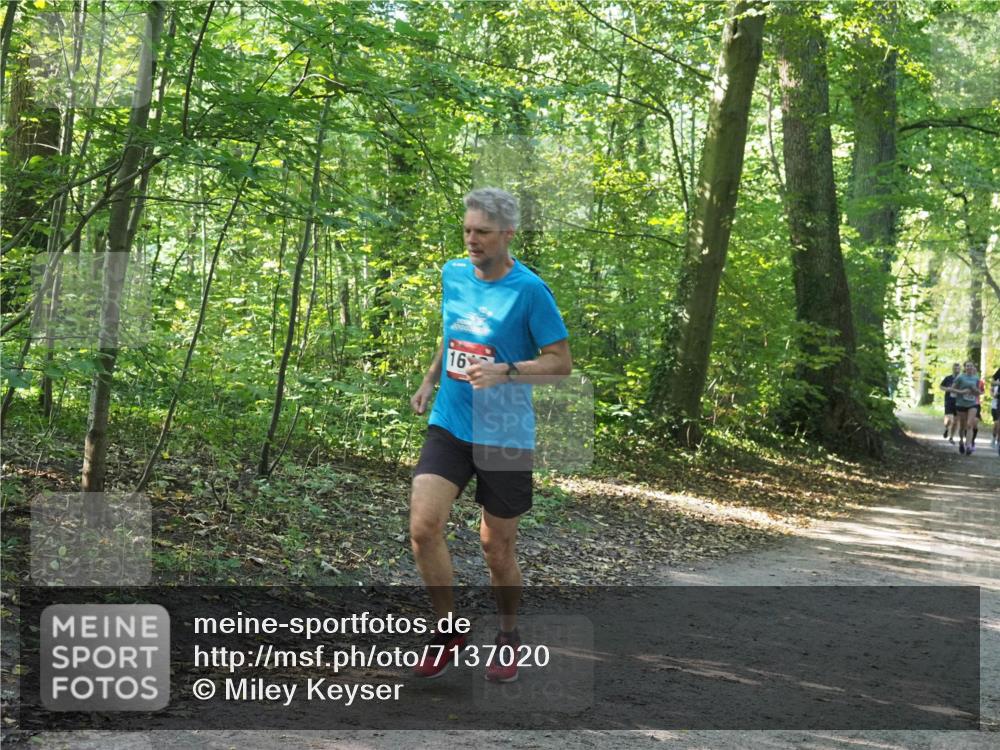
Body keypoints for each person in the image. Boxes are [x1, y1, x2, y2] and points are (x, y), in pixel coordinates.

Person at [408, 188, 571, 682]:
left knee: (496, 550)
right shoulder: (453, 273)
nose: (471, 239)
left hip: (505, 431)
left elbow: (560, 363)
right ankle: (448, 630)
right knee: (423, 527)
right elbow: (452, 329)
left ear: (507, 235)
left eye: (481, 232)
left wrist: (506, 371)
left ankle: (507, 635)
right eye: (467, 230)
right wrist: (431, 377)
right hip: (451, 421)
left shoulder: (530, 291)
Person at [945, 361, 983, 455]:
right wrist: (962, 392)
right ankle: (961, 441)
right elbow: (951, 389)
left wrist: (975, 390)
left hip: (972, 404)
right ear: (965, 368)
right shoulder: (960, 377)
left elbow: (980, 392)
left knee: (970, 424)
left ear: (973, 367)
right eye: (967, 366)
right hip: (961, 404)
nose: (969, 367)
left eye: (971, 366)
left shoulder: (976, 378)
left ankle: (968, 445)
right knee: (962, 426)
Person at [940, 363, 961, 443]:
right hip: (949, 400)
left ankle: (951, 437)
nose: (956, 370)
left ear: (960, 369)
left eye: (958, 368)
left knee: (955, 421)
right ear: (952, 369)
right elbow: (941, 386)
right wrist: (947, 389)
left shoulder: (962, 379)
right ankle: (946, 428)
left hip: (959, 401)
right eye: (955, 368)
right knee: (949, 420)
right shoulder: (948, 378)